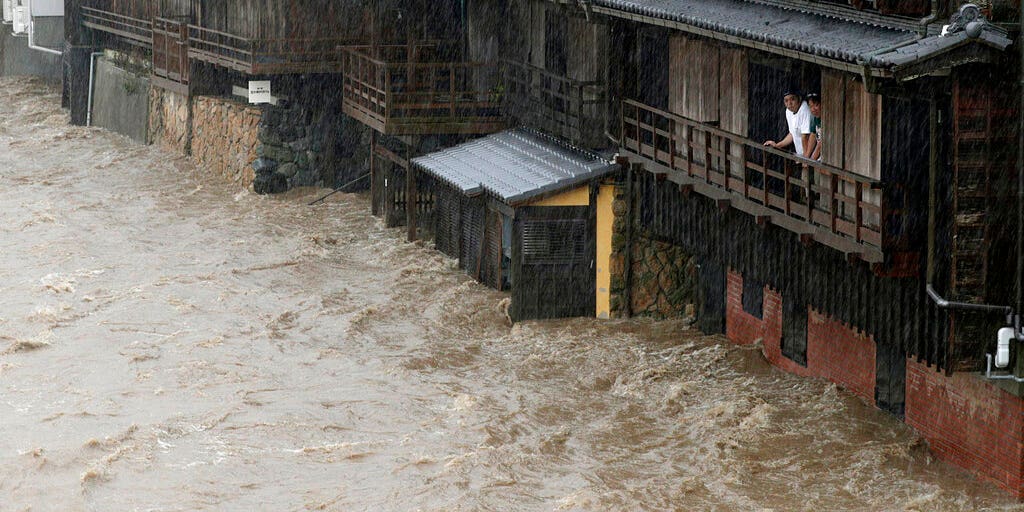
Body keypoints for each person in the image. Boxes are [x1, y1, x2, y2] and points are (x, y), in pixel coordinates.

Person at [763, 91, 812, 158]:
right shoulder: (788, 111)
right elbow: (792, 133)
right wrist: (777, 145)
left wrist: (806, 158)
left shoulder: (805, 109)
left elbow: (805, 136)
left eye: (792, 99)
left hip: (812, 155)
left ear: (799, 98)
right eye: (786, 101)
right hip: (802, 155)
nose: (789, 104)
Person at [805, 93, 822, 161]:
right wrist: (807, 156)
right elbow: (813, 134)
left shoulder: (828, 117)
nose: (813, 109)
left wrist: (813, 158)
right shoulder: (813, 117)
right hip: (820, 156)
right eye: (810, 106)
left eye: (816, 105)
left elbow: (822, 142)